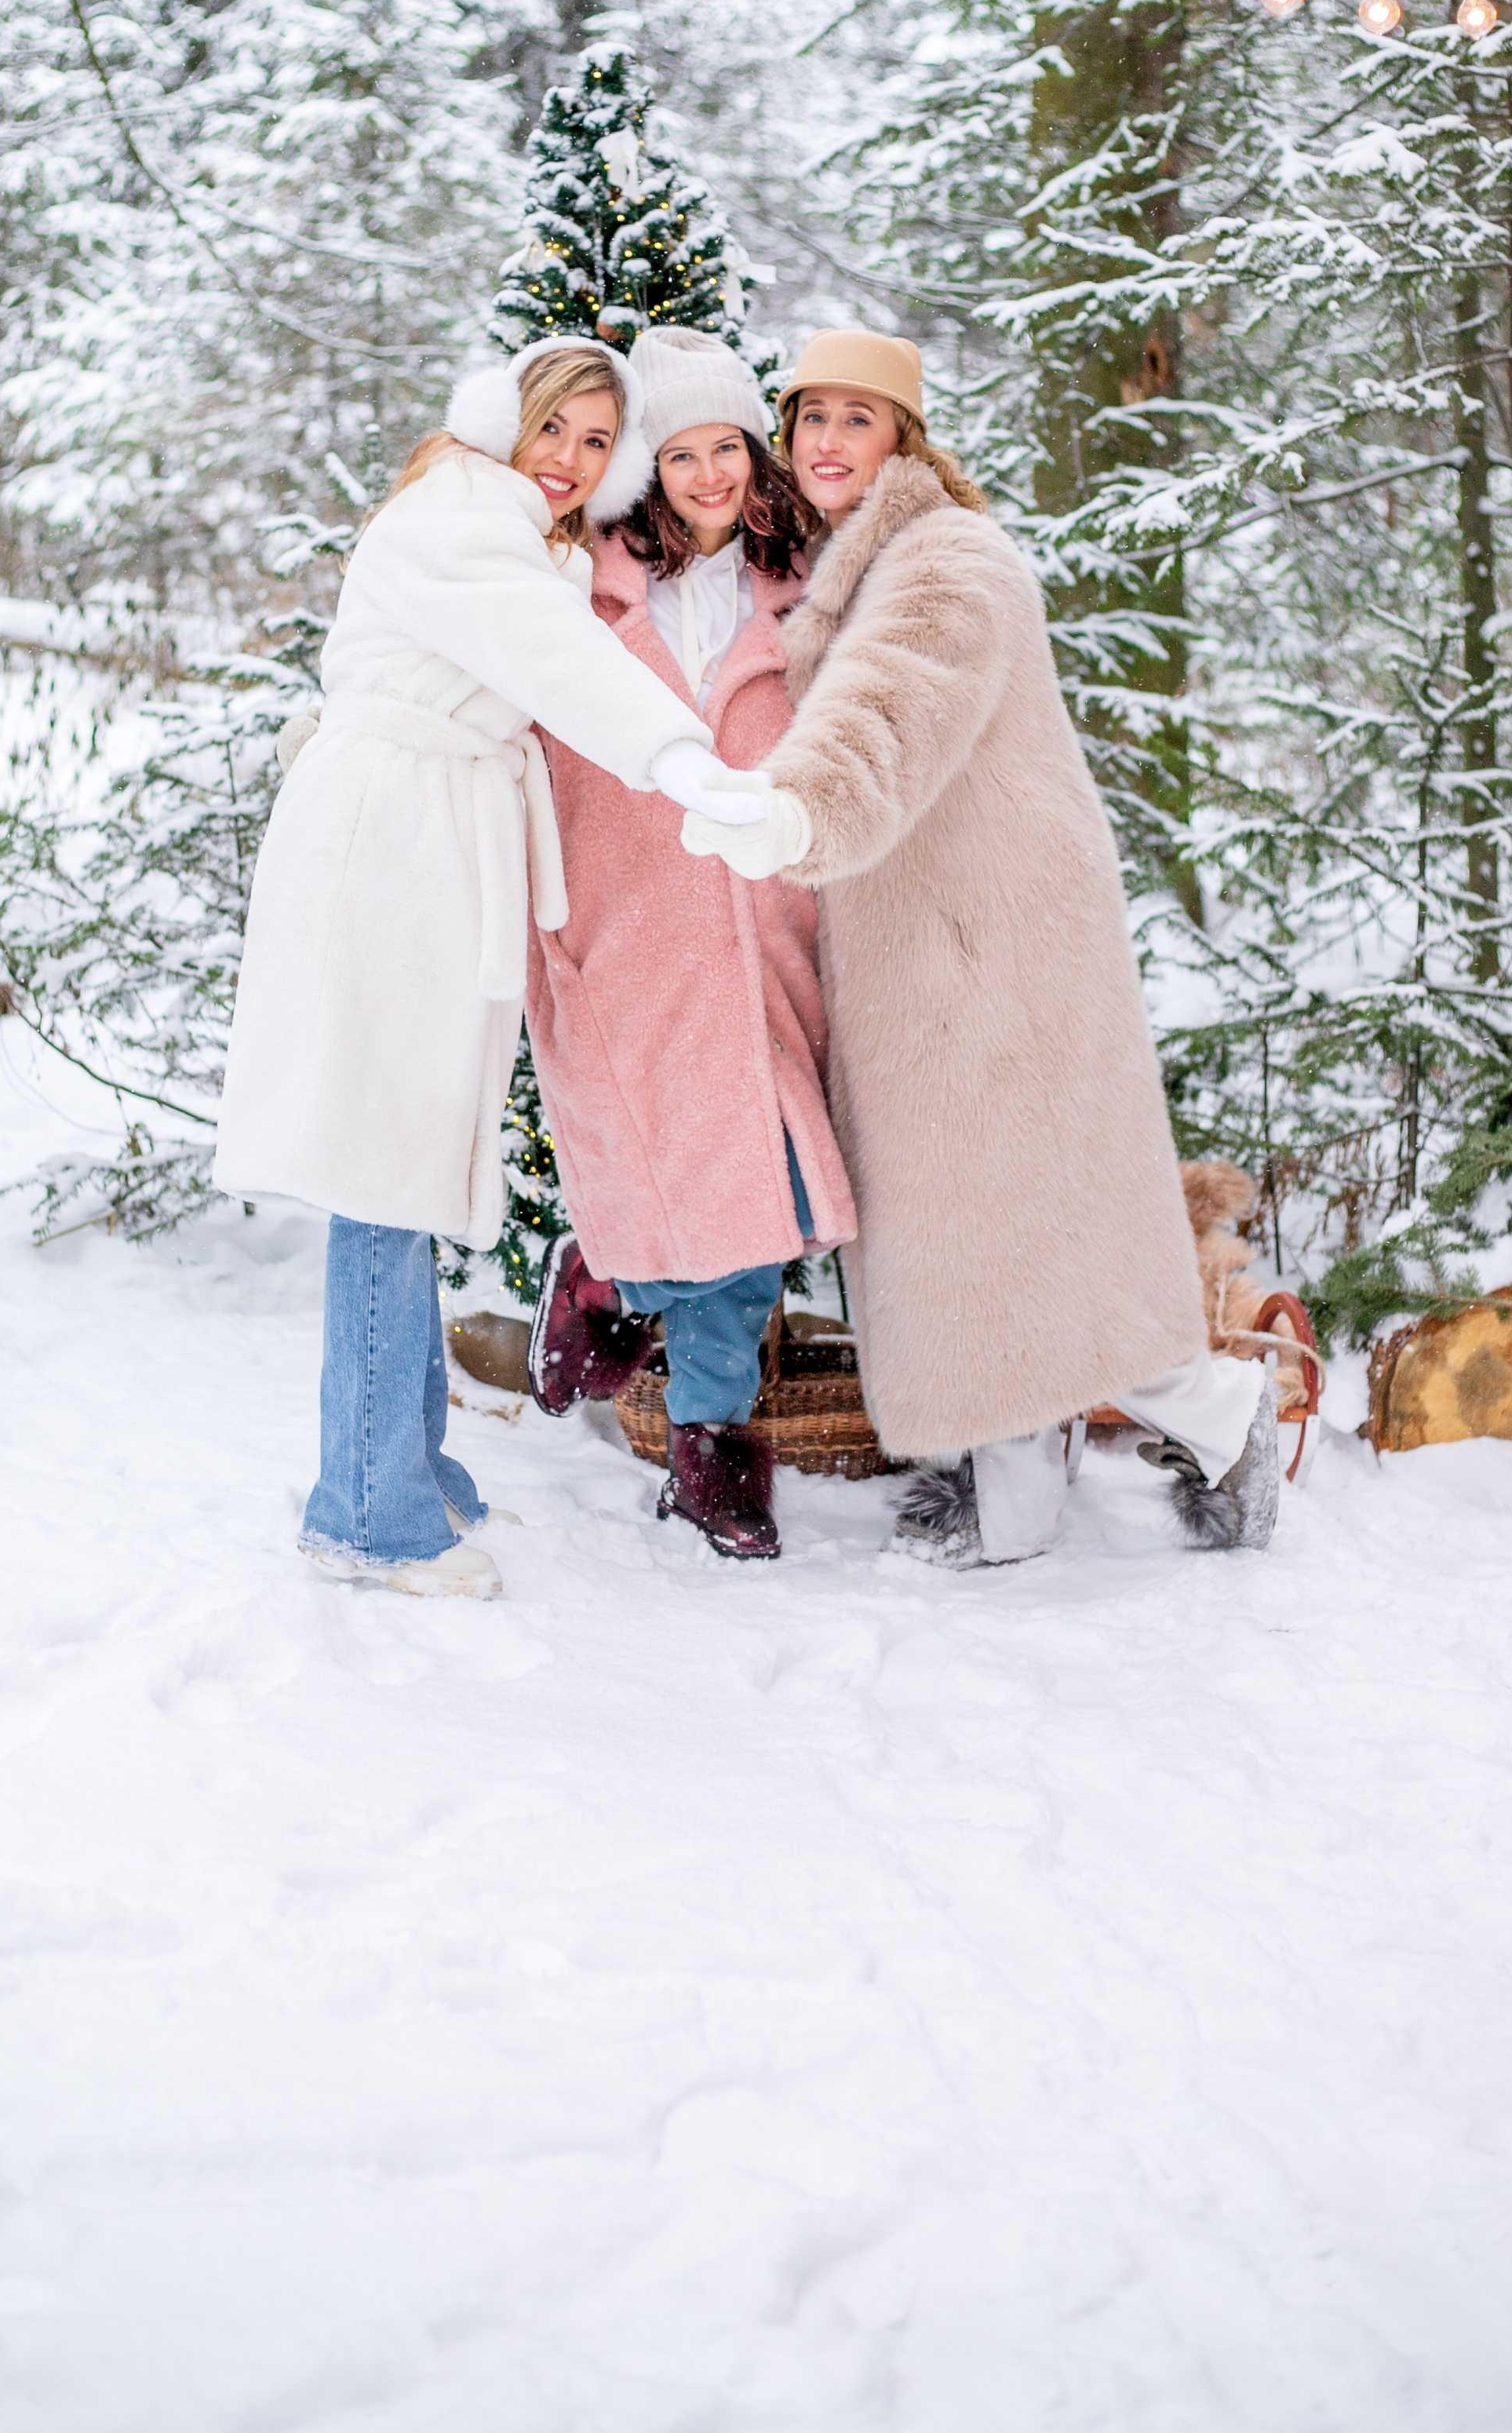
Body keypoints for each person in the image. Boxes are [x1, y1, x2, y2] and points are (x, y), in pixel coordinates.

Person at [679, 330, 1278, 1566]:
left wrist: (796, 808)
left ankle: (1198, 1422)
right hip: (940, 950)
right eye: (812, 419)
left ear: (906, 437)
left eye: (860, 418)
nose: (829, 441)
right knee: (993, 1229)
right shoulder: (873, 559)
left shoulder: (948, 559)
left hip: (991, 955)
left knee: (1000, 1223)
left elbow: (888, 708)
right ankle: (1042, 1470)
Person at [214, 337, 775, 1600]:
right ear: (500, 421)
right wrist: (686, 763)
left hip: (427, 843)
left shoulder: (515, 530)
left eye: (596, 442)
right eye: (555, 429)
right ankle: (370, 1512)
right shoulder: (463, 516)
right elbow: (561, 663)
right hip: (392, 851)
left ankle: (405, 1465)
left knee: (403, 1169)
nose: (571, 461)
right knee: (383, 1175)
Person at [520, 326, 858, 1561]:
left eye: (730, 447)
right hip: (627, 933)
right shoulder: (581, 591)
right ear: (646, 470)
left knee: (760, 1205)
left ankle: (706, 1445)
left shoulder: (806, 587)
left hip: (765, 933)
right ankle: (612, 1276)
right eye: (682, 453)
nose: (710, 475)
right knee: (672, 1181)